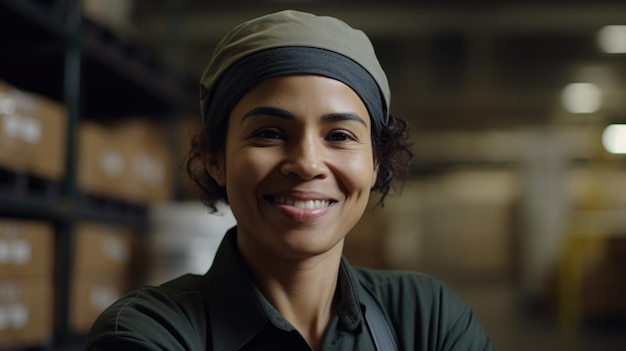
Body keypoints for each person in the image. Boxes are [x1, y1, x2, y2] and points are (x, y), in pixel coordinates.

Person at [85, 10, 495, 351]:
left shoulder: (428, 319)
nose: (307, 163)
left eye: (339, 136)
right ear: (215, 158)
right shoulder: (150, 333)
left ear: (376, 162)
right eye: (269, 133)